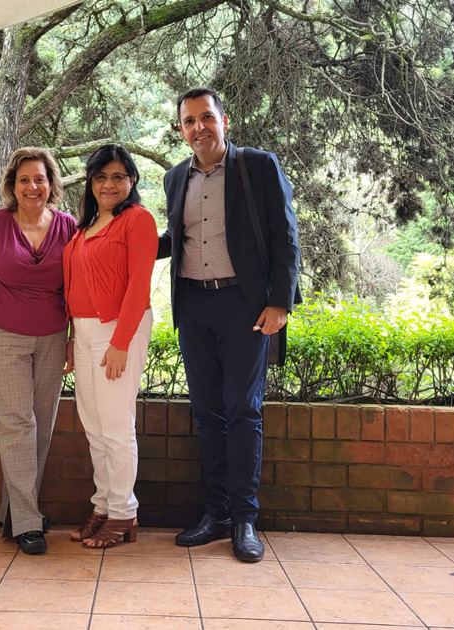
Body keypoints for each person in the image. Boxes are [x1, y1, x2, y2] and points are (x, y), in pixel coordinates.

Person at [158, 87, 300, 562]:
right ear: (181, 130)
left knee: (243, 411)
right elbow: (173, 238)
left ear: (223, 119)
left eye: (205, 118)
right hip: (193, 308)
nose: (198, 128)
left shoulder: (257, 166)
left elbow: (285, 237)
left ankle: (244, 519)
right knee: (206, 413)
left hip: (244, 307)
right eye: (188, 122)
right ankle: (215, 511)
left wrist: (280, 303)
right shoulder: (174, 177)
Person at [0, 147, 76, 555]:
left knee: (41, 426)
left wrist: (74, 339)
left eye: (41, 179)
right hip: (2, 337)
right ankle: (29, 523)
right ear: (12, 184)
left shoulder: (68, 227)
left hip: (51, 336)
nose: (33, 187)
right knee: (17, 426)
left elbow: (76, 290)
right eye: (25, 179)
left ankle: (13, 513)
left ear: (52, 184)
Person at [63, 144, 157, 549]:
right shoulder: (85, 225)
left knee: (117, 428)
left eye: (118, 176)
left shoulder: (138, 221)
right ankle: (103, 506)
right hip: (83, 332)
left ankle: (123, 512)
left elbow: (139, 287)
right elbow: (75, 287)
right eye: (101, 177)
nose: (109, 184)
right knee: (95, 427)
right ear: (90, 182)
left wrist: (120, 343)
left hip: (120, 329)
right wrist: (71, 337)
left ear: (131, 181)